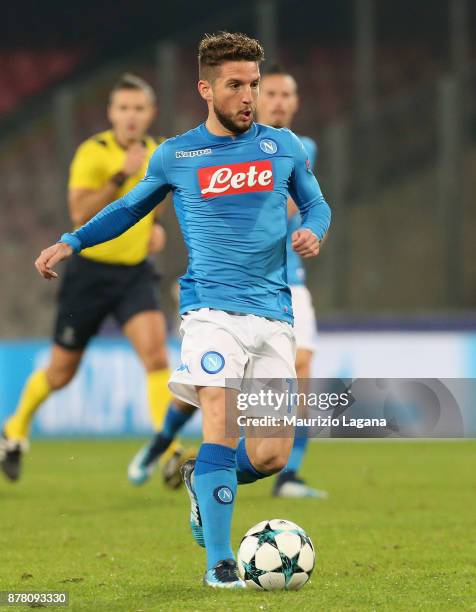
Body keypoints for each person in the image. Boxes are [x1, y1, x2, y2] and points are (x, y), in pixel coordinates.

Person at [34, 32, 331, 588]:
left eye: (254, 85)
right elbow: (127, 208)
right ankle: (220, 564)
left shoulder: (283, 147)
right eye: (235, 86)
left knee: (269, 454)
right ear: (206, 89)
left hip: (272, 313)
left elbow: (316, 203)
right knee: (217, 420)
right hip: (209, 311)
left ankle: (202, 479)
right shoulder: (176, 154)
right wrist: (71, 241)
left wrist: (313, 231)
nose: (248, 97)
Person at [0, 74, 186, 483]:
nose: (131, 116)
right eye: (123, 108)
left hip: (134, 275)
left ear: (150, 113)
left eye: (139, 108)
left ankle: (169, 450)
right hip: (88, 275)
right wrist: (120, 176)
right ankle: (14, 430)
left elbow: (152, 205)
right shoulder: (94, 153)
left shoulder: (160, 152)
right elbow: (80, 213)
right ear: (111, 114)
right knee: (61, 374)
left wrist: (156, 229)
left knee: (156, 356)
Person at [257, 64, 328, 499]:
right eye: (272, 94)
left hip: (291, 280)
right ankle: (172, 446)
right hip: (243, 283)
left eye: (287, 94)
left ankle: (289, 474)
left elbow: (281, 209)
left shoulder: (302, 147)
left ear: (296, 102)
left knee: (302, 371)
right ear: (256, 99)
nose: (280, 101)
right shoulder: (235, 149)